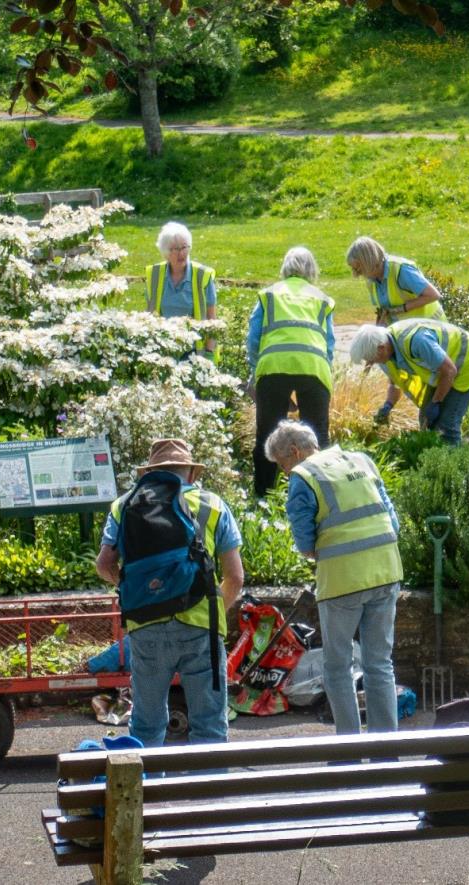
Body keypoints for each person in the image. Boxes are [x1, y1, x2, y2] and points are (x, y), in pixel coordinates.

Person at [95, 438, 244, 746]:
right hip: (202, 625)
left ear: (150, 472)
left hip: (146, 625)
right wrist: (215, 611)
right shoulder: (212, 505)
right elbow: (236, 577)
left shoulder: (124, 505)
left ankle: (147, 790)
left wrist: (141, 591)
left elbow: (104, 565)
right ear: (190, 473)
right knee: (209, 726)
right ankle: (210, 792)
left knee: (147, 726)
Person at [263, 420, 402, 736]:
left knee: (338, 669)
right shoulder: (361, 460)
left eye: (283, 464)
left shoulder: (304, 477)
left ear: (295, 452)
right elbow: (391, 518)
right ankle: (387, 750)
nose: (285, 472)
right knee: (379, 664)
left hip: (343, 580)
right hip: (385, 570)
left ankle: (349, 748)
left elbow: (305, 542)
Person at [247, 246, 336, 497]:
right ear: (312, 271)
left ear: (284, 268)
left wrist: (257, 371)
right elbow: (329, 344)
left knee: (267, 435)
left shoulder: (269, 295)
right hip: (314, 367)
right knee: (318, 435)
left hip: (274, 366)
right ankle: (322, 496)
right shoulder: (322, 298)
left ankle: (264, 498)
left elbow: (254, 339)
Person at [349, 318, 469, 445]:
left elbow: (450, 371)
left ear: (381, 348)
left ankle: (455, 468)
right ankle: (436, 462)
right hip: (443, 369)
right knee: (425, 420)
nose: (371, 362)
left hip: (468, 360)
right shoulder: (385, 351)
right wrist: (388, 406)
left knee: (447, 424)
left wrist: (436, 402)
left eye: (371, 358)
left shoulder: (416, 341)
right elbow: (395, 383)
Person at [147, 222, 218, 356]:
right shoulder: (154, 275)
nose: (182, 253)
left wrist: (209, 353)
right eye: (176, 249)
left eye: (185, 247)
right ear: (166, 252)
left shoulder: (202, 275)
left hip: (194, 352)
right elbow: (149, 314)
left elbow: (211, 319)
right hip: (163, 350)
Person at [346, 236, 446, 325]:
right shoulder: (371, 280)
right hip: (407, 333)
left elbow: (433, 295)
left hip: (431, 329)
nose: (356, 274)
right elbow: (384, 312)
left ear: (369, 261)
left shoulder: (402, 270)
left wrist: (401, 309)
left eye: (358, 269)